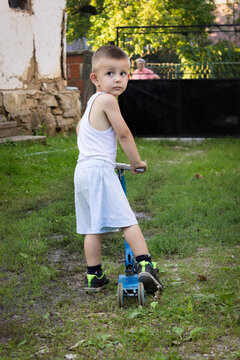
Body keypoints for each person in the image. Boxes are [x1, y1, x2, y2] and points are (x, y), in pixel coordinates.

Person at [74, 45, 163, 293]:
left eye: (123, 73)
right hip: (100, 170)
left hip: (82, 171)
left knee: (92, 227)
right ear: (96, 78)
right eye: (110, 73)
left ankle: (94, 275)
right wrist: (136, 162)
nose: (118, 79)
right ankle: (145, 264)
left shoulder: (92, 101)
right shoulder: (108, 100)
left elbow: (80, 129)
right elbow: (123, 133)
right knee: (127, 220)